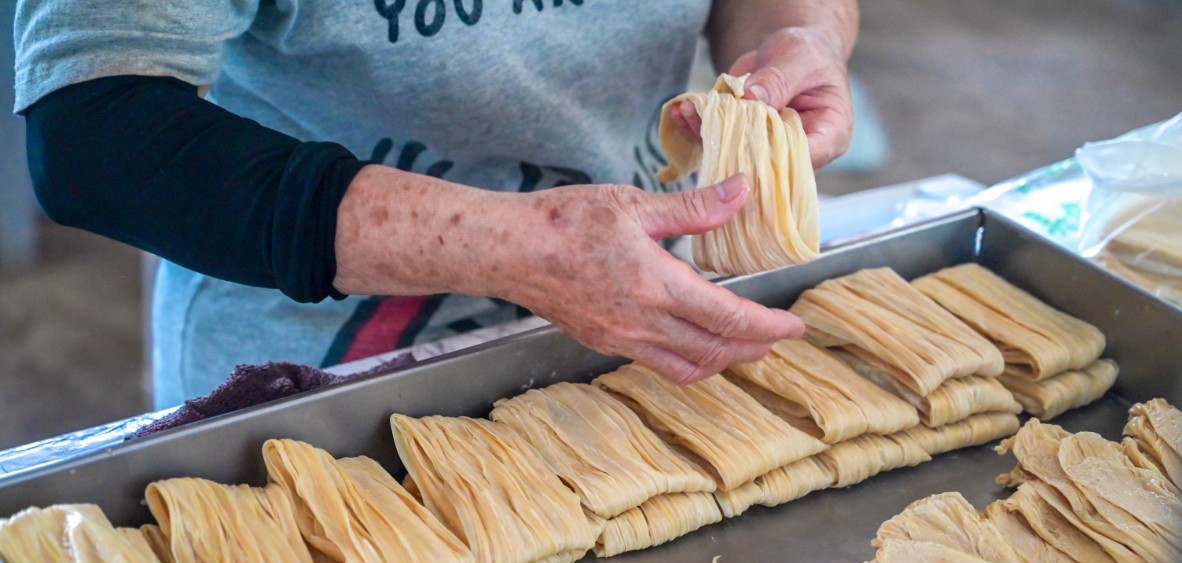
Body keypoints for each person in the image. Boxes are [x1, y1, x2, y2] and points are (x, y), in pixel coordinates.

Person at [15, 0, 858, 407]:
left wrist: (801, 38)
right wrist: (518, 247)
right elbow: (96, 136)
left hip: (643, 317)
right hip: (316, 377)